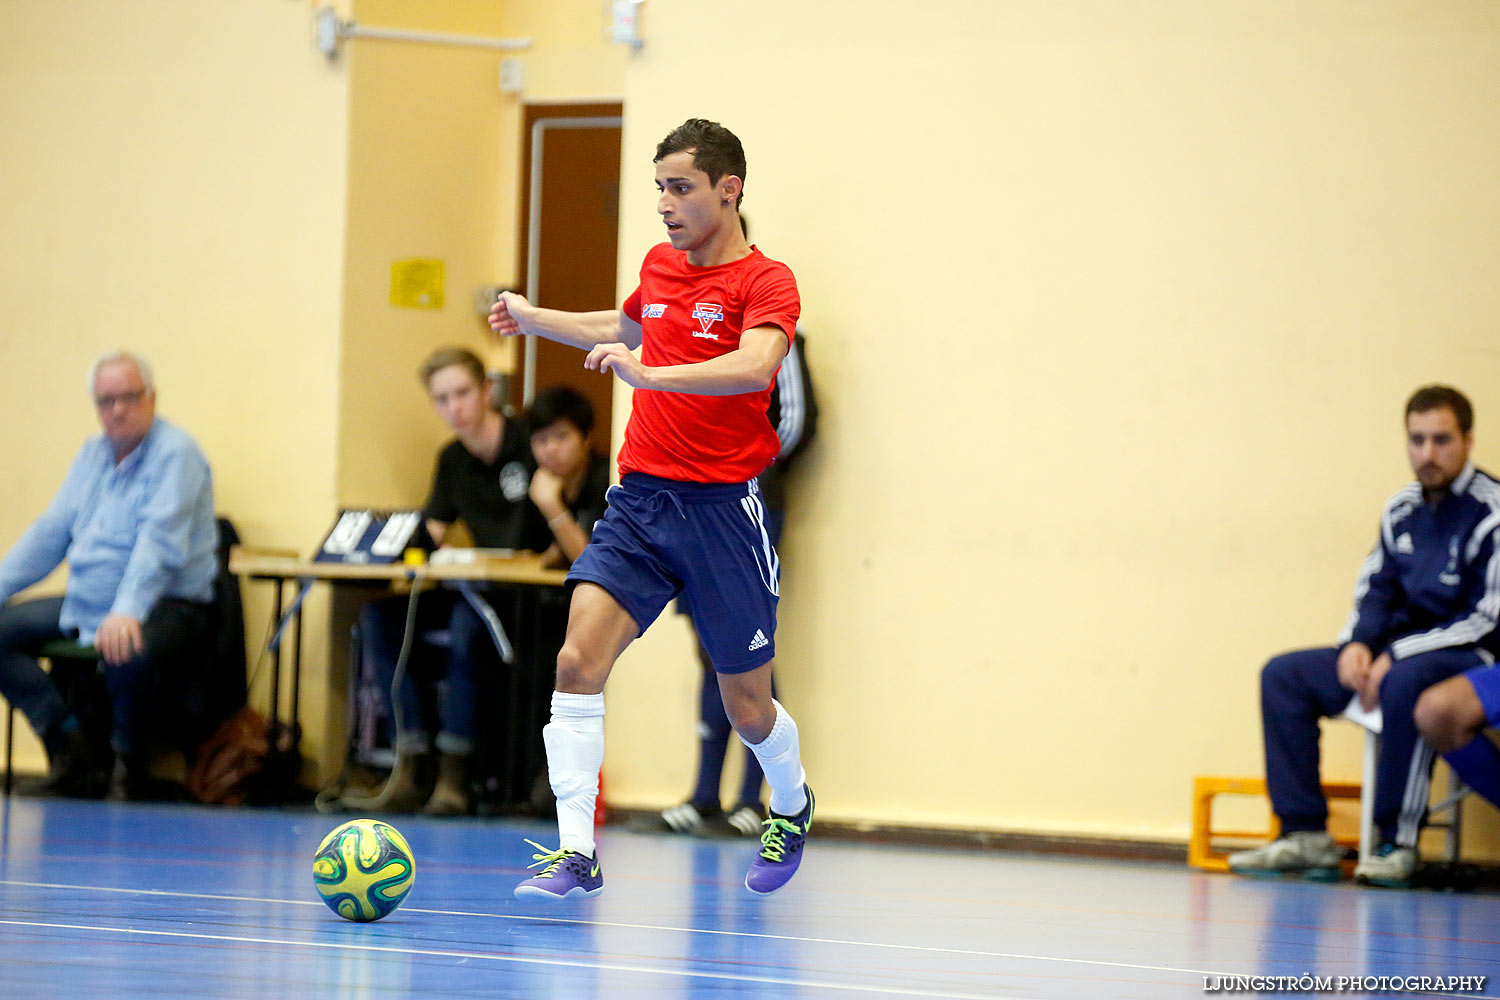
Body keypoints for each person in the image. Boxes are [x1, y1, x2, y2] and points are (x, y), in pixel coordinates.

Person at [489, 118, 814, 899]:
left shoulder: (766, 282)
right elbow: (624, 328)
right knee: (576, 662)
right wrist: (536, 319)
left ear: (727, 190)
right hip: (640, 503)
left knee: (749, 705)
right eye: (659, 188)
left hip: (723, 513)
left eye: (681, 188)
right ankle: (577, 851)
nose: (665, 204)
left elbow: (753, 367)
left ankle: (793, 806)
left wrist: (652, 378)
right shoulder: (659, 267)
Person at [1229, 385, 1500, 887]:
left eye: (1441, 440)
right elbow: (1375, 587)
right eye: (1416, 440)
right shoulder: (1399, 508)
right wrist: (1357, 644)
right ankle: (1305, 833)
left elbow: (1485, 617)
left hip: (1465, 655)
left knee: (1405, 683)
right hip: (1391, 653)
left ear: (1468, 439)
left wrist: (1394, 653)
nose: (1428, 454)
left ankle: (1395, 843)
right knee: (1284, 676)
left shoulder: (1492, 511)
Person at [0, 350, 218, 800]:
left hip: (168, 603)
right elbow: (50, 533)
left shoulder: (177, 454)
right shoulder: (92, 455)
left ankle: (128, 767)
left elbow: (158, 545)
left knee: (125, 644)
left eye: (130, 397)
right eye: (106, 401)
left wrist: (126, 610)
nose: (117, 409)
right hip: (91, 599)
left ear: (152, 398)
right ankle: (69, 746)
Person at [346, 346, 552, 815]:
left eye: (461, 393)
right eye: (441, 399)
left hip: (528, 599)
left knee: (464, 623)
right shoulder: (451, 459)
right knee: (379, 617)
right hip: (475, 590)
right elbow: (431, 533)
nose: (453, 407)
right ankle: (412, 760)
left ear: (488, 391)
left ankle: (455, 775)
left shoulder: (527, 442)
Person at [654, 328, 817, 837]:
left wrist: (740, 471)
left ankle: (755, 796)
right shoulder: (687, 334)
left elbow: (796, 423)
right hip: (690, 507)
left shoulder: (777, 338)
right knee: (708, 648)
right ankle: (705, 795)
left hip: (746, 506)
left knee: (749, 650)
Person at [526, 385, 611, 571]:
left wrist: (552, 507)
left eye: (561, 436)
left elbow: (591, 562)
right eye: (541, 440)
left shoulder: (607, 478)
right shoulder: (536, 479)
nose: (551, 449)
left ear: (586, 437)